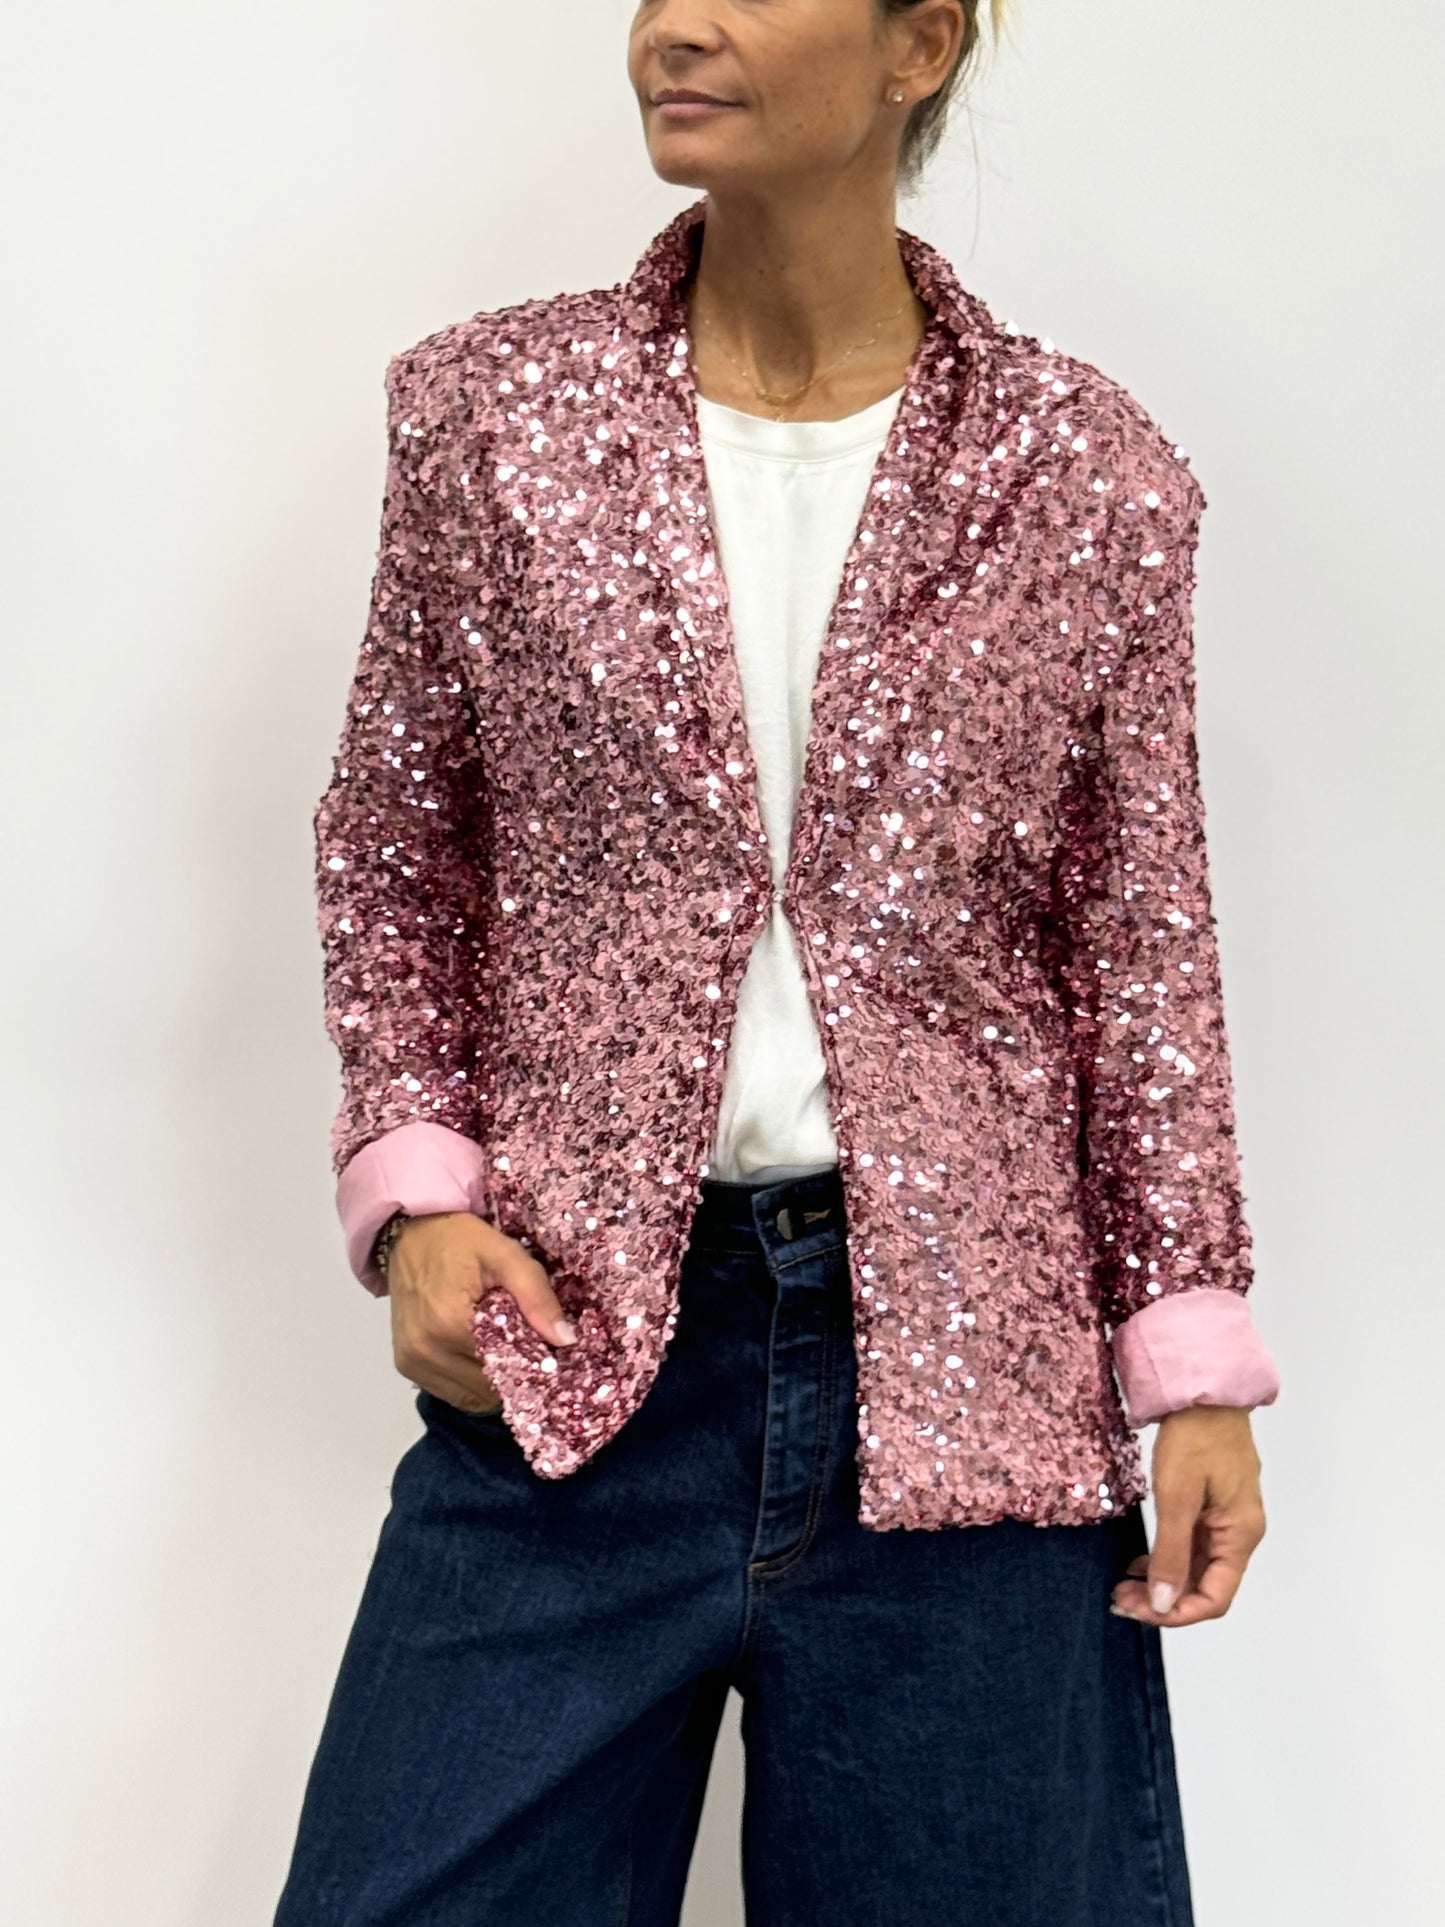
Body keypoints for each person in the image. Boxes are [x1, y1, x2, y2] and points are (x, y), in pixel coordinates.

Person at [274, 3, 1281, 1921]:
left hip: (971, 1391)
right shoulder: (490, 419)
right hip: (571, 1359)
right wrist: (416, 1200)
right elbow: (398, 839)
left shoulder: (1086, 474)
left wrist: (1191, 1355)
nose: (673, 20)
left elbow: (1138, 937)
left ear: (919, 44)